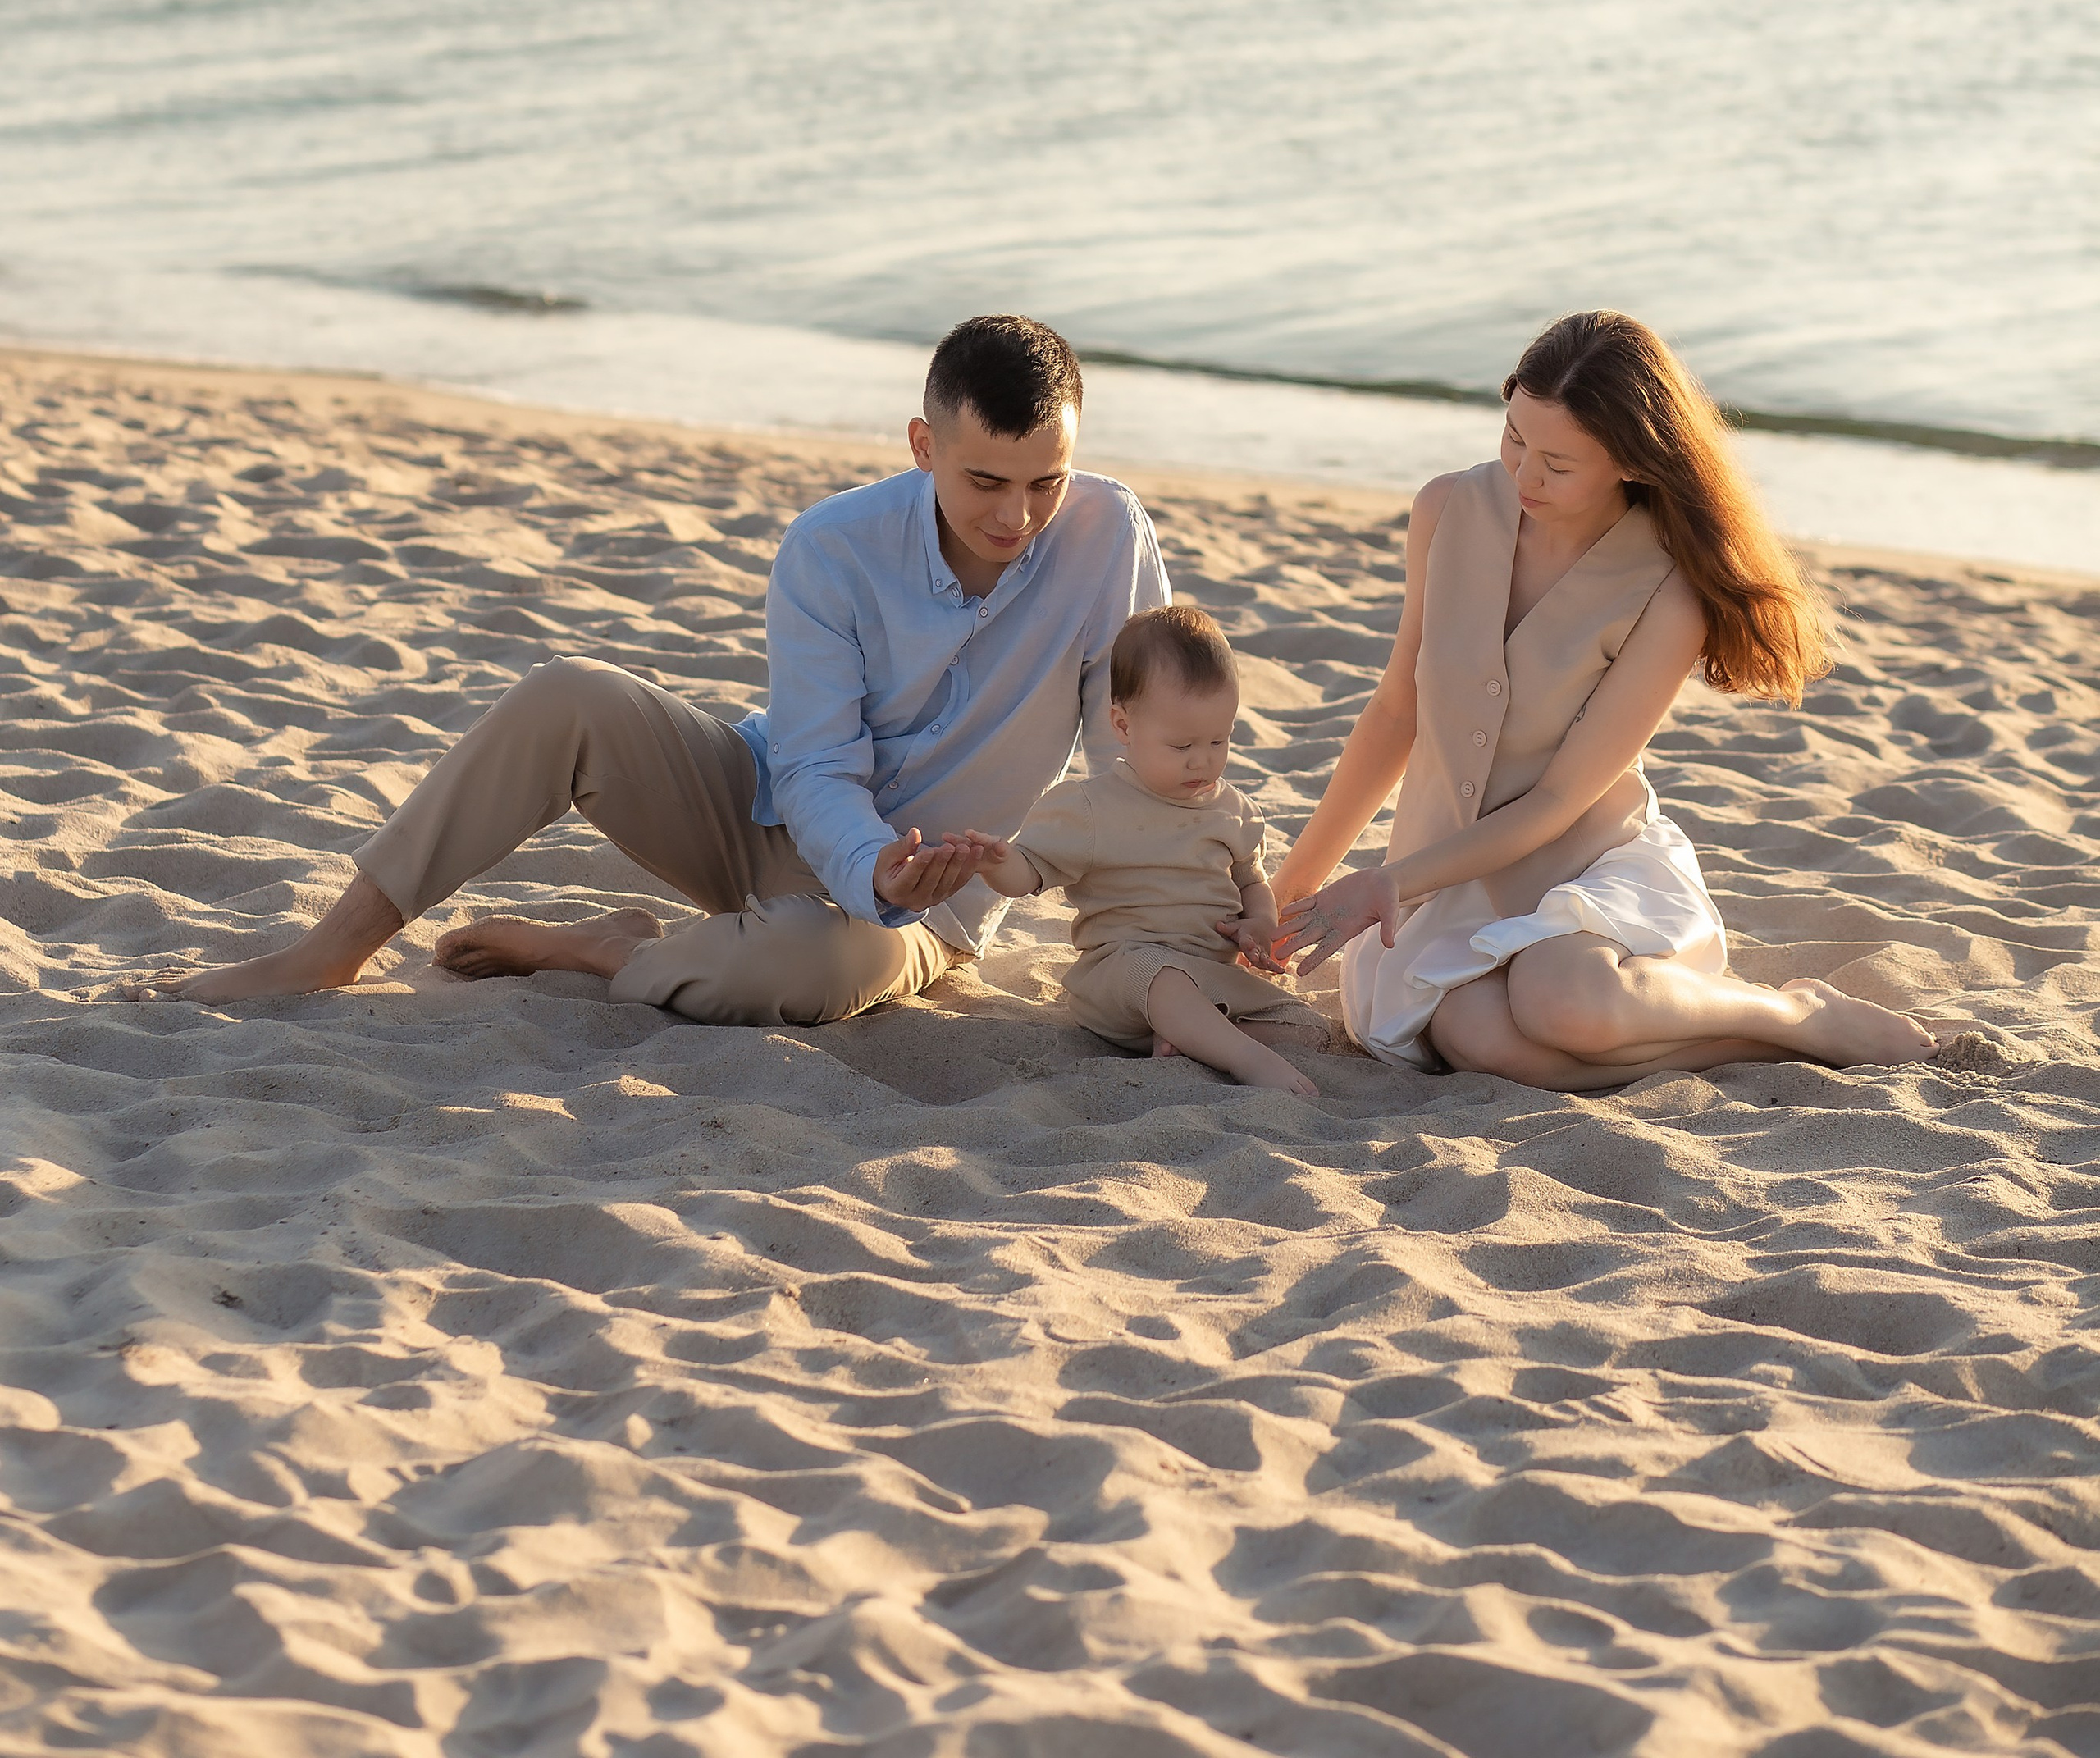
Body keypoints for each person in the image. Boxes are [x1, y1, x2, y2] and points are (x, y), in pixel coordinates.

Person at [168, 314, 1169, 1027]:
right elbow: (816, 768)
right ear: (923, 445)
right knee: (567, 693)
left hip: (927, 903)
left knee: (800, 967)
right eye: (984, 481)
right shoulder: (832, 546)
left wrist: (1154, 949)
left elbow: (1130, 761)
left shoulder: (1105, 535)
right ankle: (332, 947)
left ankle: (606, 948)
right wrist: (865, 861)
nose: (1016, 517)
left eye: (1047, 480)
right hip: (761, 811)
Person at [1273, 310, 1938, 1087]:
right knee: (1479, 1040)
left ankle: (1791, 1016)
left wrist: (1389, 881)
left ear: (1630, 462)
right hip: (1445, 883)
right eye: (1515, 437)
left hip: (1585, 870)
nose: (1524, 476)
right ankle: (1766, 1041)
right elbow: (1396, 710)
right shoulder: (1446, 510)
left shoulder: (1670, 587)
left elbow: (1556, 800)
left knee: (1564, 1005)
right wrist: (1294, 893)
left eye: (1558, 463)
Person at [952, 599, 1325, 1097]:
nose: (1202, 762)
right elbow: (1028, 873)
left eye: (1219, 741)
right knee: (1159, 972)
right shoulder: (1090, 807)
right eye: (1182, 746)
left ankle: (1188, 1036)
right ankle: (1240, 1056)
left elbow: (1252, 881)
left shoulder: (1234, 810)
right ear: (1124, 726)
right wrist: (997, 863)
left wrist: (1259, 922)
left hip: (1207, 977)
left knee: (1313, 1032)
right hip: (1122, 974)